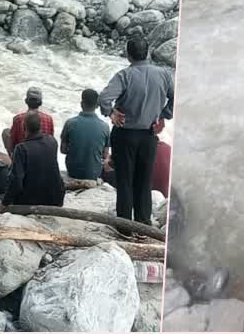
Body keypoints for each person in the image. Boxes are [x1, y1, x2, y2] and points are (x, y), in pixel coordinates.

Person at [99, 37, 174, 224]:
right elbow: (176, 97)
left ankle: (124, 225)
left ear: (128, 54)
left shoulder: (124, 75)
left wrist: (111, 113)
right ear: (147, 52)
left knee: (125, 180)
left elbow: (104, 98)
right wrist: (164, 115)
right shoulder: (164, 74)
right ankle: (143, 223)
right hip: (149, 135)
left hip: (125, 134)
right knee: (144, 180)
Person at [1, 112, 65, 207]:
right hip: (55, 199)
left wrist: (5, 202)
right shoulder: (52, 141)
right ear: (40, 126)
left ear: (23, 127)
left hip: (30, 201)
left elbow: (17, 181)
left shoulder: (21, 149)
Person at [60, 89, 110, 181]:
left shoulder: (70, 123)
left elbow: (63, 150)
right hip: (94, 173)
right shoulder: (105, 127)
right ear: (97, 106)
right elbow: (105, 155)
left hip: (73, 172)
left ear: (81, 104)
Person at [3, 87, 55, 158]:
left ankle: (13, 161)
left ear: (26, 101)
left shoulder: (18, 118)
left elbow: (13, 143)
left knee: (6, 132)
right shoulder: (49, 119)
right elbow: (51, 141)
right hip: (44, 157)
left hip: (23, 156)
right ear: (40, 102)